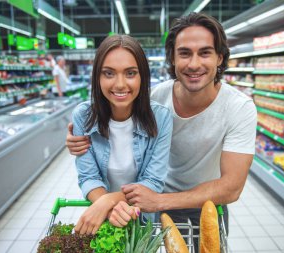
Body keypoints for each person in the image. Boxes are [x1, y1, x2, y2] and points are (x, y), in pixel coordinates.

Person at [67, 12, 257, 249]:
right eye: (185, 53)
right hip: (151, 205)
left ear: (220, 57)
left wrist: (157, 201)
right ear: (173, 59)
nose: (194, 64)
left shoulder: (239, 108)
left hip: (204, 203)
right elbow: (115, 113)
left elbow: (232, 186)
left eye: (205, 52)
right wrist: (78, 140)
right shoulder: (155, 99)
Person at [71, 34, 173, 235]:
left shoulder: (161, 118)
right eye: (109, 73)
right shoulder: (82, 116)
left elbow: (153, 181)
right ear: (97, 77)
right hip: (102, 220)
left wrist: (108, 201)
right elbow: (88, 177)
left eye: (130, 73)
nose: (119, 84)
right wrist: (108, 207)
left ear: (142, 76)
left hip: (141, 221)